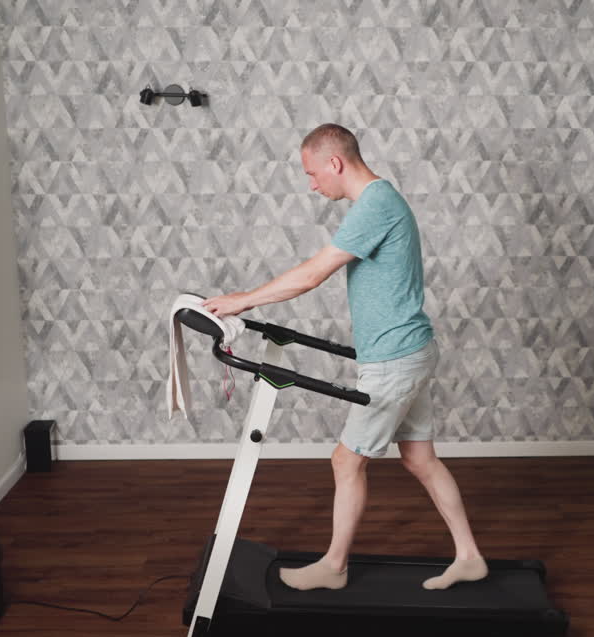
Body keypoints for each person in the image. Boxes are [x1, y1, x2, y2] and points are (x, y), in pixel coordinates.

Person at [201, 123, 488, 592]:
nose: (311, 184)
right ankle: (470, 557)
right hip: (407, 350)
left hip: (395, 358)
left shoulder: (375, 205)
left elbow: (313, 274)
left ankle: (334, 567)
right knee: (420, 459)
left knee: (345, 460)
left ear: (335, 163)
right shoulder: (380, 202)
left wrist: (243, 300)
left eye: (312, 173)